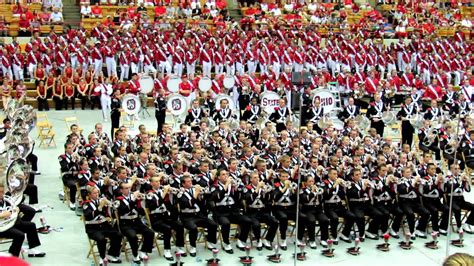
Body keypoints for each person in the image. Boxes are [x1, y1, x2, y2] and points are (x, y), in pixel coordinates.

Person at [145, 176, 185, 260]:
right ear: (151, 183)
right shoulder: (149, 194)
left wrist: (171, 194)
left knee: (179, 225)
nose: (158, 183)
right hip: (156, 219)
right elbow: (153, 206)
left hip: (166, 217)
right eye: (156, 181)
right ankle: (167, 250)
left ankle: (179, 246)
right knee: (167, 228)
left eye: (159, 181)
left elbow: (170, 204)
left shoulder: (163, 191)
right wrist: (164, 194)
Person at [0, 183, 46, 257]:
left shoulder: (5, 200)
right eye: (0, 192)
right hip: (2, 228)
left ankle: (32, 250)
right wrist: (2, 215)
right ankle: (13, 256)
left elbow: (12, 209)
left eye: (2, 192)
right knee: (20, 235)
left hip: (9, 224)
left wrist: (15, 210)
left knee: (31, 226)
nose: (1, 194)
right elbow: (5, 214)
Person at [115, 183, 154, 263]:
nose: (128, 190)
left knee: (150, 232)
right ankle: (135, 255)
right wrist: (133, 200)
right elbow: (123, 211)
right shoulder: (118, 200)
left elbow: (142, 213)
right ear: (121, 190)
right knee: (133, 236)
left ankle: (143, 251)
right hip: (125, 224)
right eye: (126, 188)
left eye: (129, 188)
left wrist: (141, 201)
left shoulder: (134, 197)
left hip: (136, 222)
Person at [83, 187, 122, 265]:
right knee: (101, 239)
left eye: (97, 192)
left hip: (104, 225)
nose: (97, 194)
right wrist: (100, 207)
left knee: (118, 235)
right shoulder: (86, 204)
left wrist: (109, 206)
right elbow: (88, 216)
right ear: (89, 195)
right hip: (92, 228)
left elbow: (110, 214)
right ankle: (102, 257)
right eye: (94, 193)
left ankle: (111, 254)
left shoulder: (102, 201)